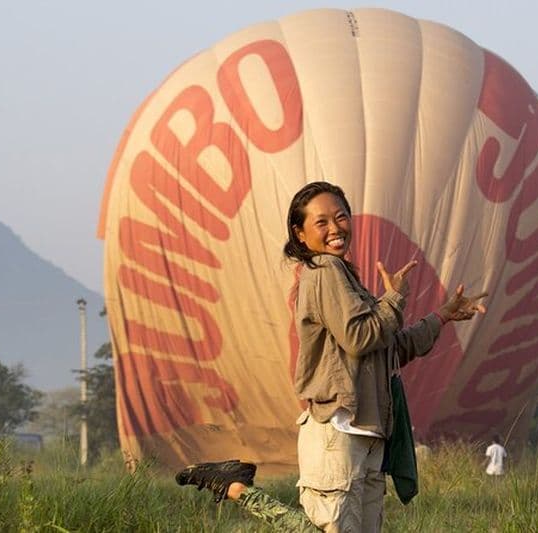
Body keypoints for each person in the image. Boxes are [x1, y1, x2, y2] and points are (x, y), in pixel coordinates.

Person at [176, 181, 488, 532]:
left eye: (341, 217)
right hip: (337, 433)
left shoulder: (349, 280)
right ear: (300, 234)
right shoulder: (324, 270)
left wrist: (442, 315)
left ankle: (234, 485)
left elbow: (390, 349)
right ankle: (236, 488)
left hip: (369, 435)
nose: (336, 228)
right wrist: (395, 298)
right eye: (321, 222)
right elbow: (360, 337)